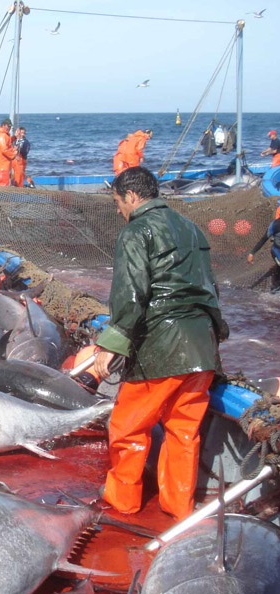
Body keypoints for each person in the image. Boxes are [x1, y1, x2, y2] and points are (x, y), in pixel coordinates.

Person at [93, 166, 226, 521]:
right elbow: (209, 288)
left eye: (119, 202)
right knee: (184, 431)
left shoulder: (136, 230)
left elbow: (131, 293)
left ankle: (122, 501)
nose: (120, 210)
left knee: (128, 427)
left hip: (160, 346)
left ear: (132, 196)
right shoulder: (191, 228)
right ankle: (178, 506)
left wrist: (111, 344)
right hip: (202, 348)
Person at [247, 216, 280, 293]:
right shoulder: (275, 225)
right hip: (277, 251)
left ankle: (276, 284)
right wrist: (252, 253)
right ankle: (274, 289)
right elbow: (263, 240)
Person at [0, 118, 16, 186]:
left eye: (10, 126)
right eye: (8, 126)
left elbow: (7, 142)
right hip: (2, 167)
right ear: (3, 125)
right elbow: (4, 150)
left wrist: (14, 137)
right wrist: (14, 153)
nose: (9, 128)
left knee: (0, 186)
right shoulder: (2, 135)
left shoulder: (1, 134)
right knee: (3, 187)